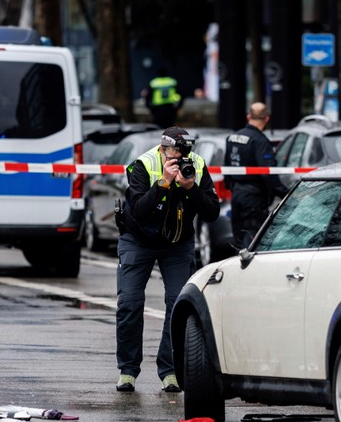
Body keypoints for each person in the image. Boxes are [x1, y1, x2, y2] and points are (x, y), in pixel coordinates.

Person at [115, 127, 220, 393]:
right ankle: (128, 370)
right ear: (163, 150)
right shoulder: (143, 164)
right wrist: (162, 183)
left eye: (186, 152)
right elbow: (138, 209)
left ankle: (170, 370)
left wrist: (191, 187)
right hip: (138, 240)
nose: (181, 157)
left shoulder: (196, 166)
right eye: (176, 152)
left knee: (179, 304)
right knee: (130, 302)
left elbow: (212, 212)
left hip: (177, 243)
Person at [224, 102, 288, 249]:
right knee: (253, 242)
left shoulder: (232, 137)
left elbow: (226, 168)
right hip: (254, 199)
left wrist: (233, 188)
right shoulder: (260, 141)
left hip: (237, 196)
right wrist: (284, 192)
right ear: (266, 119)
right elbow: (267, 173)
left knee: (239, 241)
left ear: (248, 117)